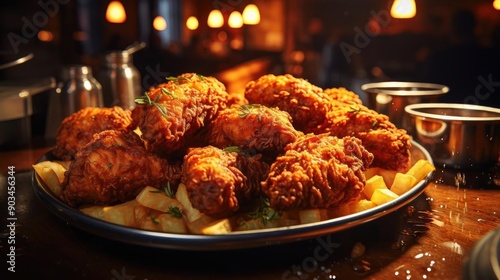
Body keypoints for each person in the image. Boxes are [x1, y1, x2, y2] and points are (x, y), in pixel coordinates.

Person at [425, 9, 499, 107]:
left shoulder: (440, 57)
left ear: (452, 28)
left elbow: (430, 90)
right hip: (485, 113)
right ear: (474, 27)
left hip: (445, 113)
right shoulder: (491, 56)